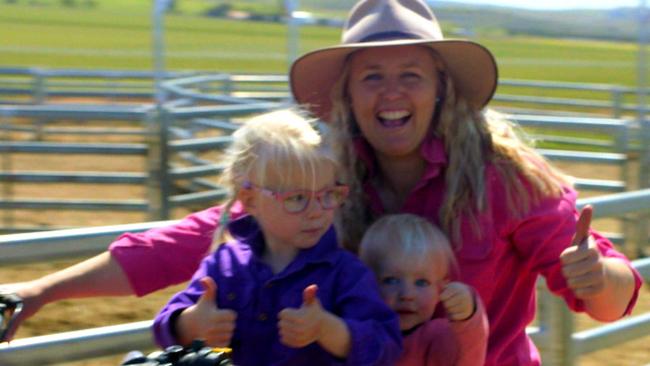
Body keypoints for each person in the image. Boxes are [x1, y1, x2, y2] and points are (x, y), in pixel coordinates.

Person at [0, 1, 642, 365]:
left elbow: (610, 302)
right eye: (372, 76)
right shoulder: (319, 174)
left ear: (442, 88)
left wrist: (598, 275)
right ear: (345, 94)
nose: (392, 93)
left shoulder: (510, 180)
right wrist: (43, 290)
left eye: (411, 74)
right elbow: (199, 238)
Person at [151, 108, 401, 365]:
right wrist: (191, 323)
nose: (316, 212)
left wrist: (328, 329)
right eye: (297, 198)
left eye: (328, 195)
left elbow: (387, 344)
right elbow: (164, 325)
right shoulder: (223, 267)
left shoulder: (345, 273)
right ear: (250, 201)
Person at [359, 213, 488, 366]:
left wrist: (467, 316)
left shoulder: (437, 336)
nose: (407, 295)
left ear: (440, 289)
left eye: (421, 282)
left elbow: (468, 354)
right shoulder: (358, 333)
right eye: (391, 280)